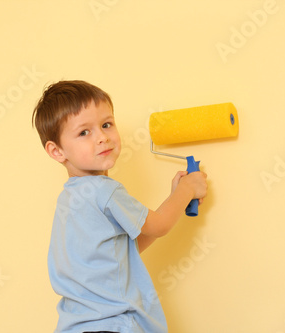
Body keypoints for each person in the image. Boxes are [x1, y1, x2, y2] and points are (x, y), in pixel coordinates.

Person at [32, 80, 207, 332]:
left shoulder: (70, 198)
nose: (102, 137)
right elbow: (159, 226)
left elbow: (124, 249)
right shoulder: (103, 189)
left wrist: (173, 199)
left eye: (106, 125)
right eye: (84, 132)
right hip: (112, 324)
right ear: (57, 151)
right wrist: (187, 189)